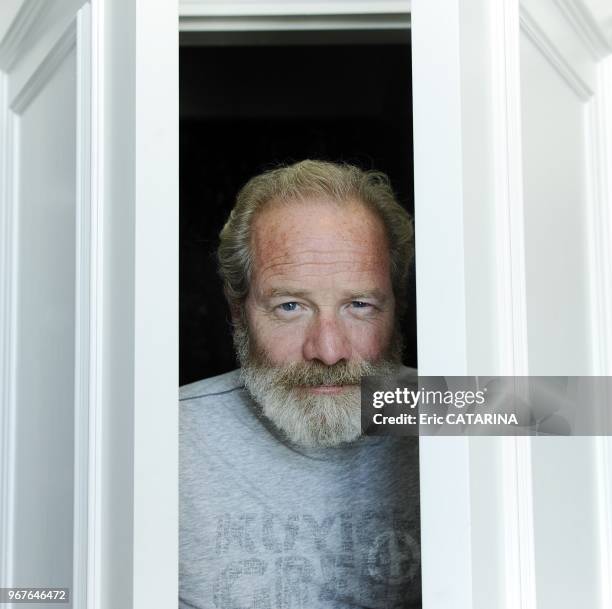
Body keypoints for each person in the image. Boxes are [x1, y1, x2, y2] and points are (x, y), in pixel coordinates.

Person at [180, 160, 421, 609]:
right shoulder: (164, 438)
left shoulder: (466, 410)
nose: (328, 351)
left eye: (360, 305)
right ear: (239, 312)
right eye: (291, 306)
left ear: (397, 307)